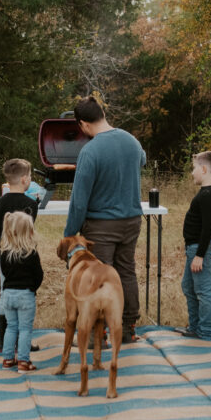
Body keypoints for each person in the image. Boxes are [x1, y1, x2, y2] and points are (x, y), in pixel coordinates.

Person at [64, 96, 146, 343]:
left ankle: (95, 336)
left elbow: (79, 201)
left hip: (102, 225)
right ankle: (128, 328)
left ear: (83, 124)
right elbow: (141, 161)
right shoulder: (132, 141)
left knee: (97, 278)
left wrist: (70, 235)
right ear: (102, 114)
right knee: (126, 272)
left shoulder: (90, 151)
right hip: (132, 221)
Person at [178, 151, 211, 341]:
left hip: (200, 249)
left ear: (204, 169)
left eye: (194, 168)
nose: (192, 172)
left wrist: (200, 254)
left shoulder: (208, 195)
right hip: (196, 247)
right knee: (188, 287)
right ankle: (195, 326)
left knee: (203, 290)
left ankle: (206, 331)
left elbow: (207, 228)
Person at [0, 158, 39, 352]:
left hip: (5, 256)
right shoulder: (31, 205)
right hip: (27, 254)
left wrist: (5, 245)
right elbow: (29, 228)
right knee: (26, 295)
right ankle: (22, 341)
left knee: (5, 294)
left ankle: (5, 341)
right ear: (25, 179)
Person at [0, 211, 43, 373]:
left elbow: (4, 273)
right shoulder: (31, 253)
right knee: (25, 329)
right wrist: (33, 288)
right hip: (25, 295)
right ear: (28, 232)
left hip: (8, 295)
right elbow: (39, 275)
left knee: (11, 327)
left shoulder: (4, 254)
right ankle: (24, 361)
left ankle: (8, 359)